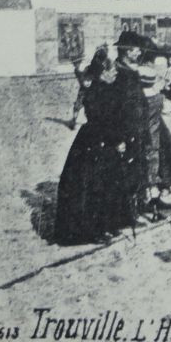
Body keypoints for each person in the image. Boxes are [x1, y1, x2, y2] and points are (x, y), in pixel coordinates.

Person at [51, 47, 140, 244]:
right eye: (112, 70)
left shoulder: (107, 89)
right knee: (95, 186)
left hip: (101, 140)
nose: (116, 72)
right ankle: (93, 231)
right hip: (97, 142)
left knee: (108, 185)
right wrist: (118, 141)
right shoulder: (98, 93)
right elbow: (103, 122)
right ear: (103, 73)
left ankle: (107, 225)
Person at [134, 39, 171, 218]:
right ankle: (152, 199)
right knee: (159, 163)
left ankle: (148, 198)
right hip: (155, 133)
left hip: (144, 132)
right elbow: (166, 101)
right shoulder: (156, 96)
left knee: (157, 163)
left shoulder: (139, 95)